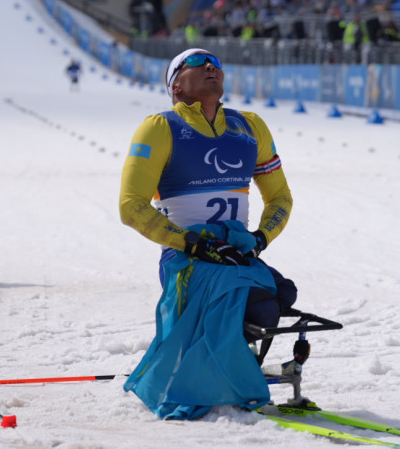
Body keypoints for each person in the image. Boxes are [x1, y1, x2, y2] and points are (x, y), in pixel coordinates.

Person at [119, 48, 295, 419]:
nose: (211, 66)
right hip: (186, 257)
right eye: (196, 63)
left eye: (215, 62)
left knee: (281, 294)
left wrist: (260, 238)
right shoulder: (160, 127)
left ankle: (224, 365)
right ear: (176, 86)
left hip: (236, 252)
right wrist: (193, 243)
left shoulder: (251, 127)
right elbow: (131, 206)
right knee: (258, 303)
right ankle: (215, 370)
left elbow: (280, 197)